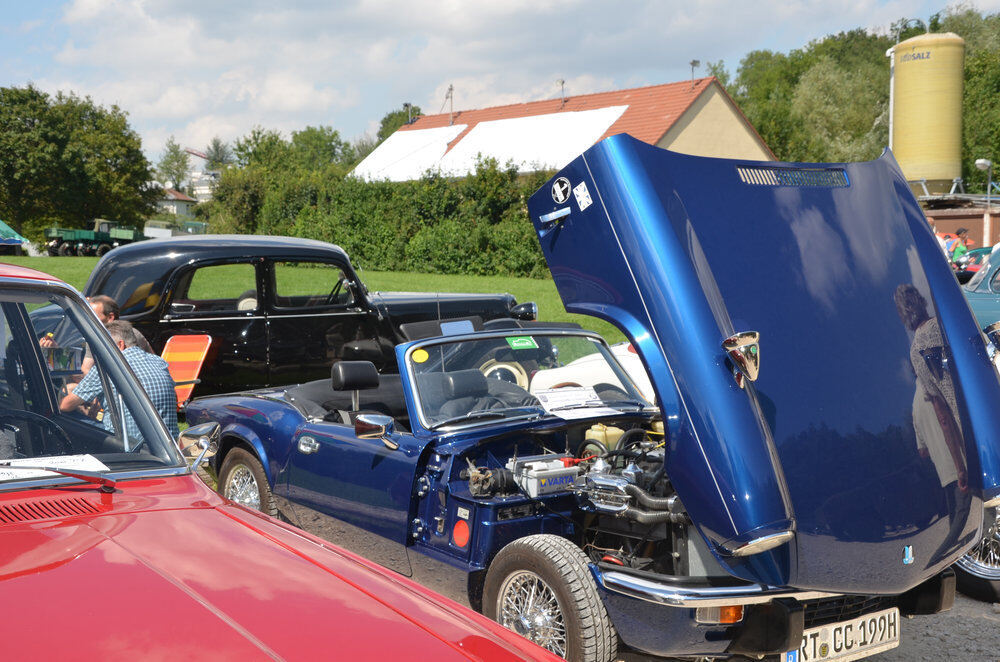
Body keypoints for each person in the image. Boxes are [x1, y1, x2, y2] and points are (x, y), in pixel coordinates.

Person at [60, 320, 179, 440]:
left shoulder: (108, 367)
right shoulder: (159, 362)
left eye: (104, 346)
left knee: (63, 415)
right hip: (167, 444)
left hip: (128, 444)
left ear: (120, 345)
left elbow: (65, 405)